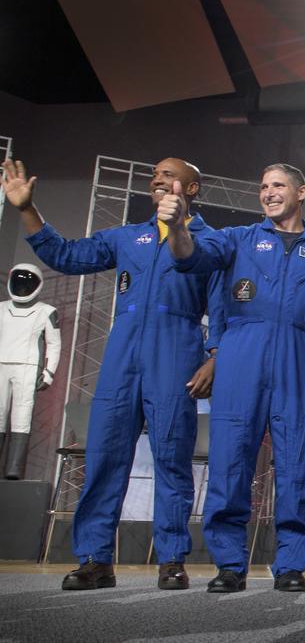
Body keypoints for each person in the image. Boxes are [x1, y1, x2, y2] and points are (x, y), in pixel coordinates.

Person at [3, 157, 220, 591]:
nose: (157, 180)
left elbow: (225, 307)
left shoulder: (211, 242)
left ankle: (172, 560)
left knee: (173, 462)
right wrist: (27, 208)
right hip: (122, 359)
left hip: (175, 355)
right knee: (104, 459)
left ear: (192, 189)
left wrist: (215, 357)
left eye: (169, 175)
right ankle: (96, 559)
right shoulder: (128, 237)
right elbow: (64, 255)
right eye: (154, 175)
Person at [166, 163, 305, 592]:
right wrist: (176, 227)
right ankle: (230, 564)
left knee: (298, 464)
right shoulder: (236, 240)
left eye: (278, 185)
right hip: (241, 356)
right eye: (263, 186)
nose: (268, 193)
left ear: (301, 192)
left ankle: (290, 565)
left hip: (301, 358)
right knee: (230, 461)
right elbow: (188, 255)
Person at [0, 262, 61, 479]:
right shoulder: (1, 308)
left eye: (28, 283)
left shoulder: (46, 311)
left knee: (21, 415)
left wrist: (49, 372)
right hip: (1, 364)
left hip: (27, 366)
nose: (23, 287)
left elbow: (54, 344)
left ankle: (14, 468)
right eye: (19, 282)